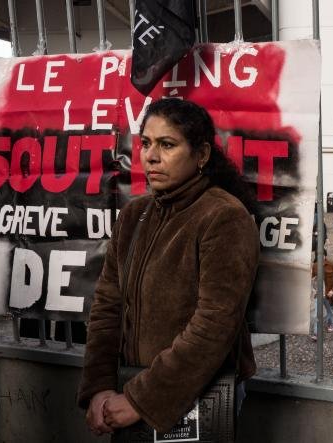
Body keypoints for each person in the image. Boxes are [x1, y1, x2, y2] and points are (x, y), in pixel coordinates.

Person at [77, 99, 260, 436]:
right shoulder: (134, 215)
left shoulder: (224, 216)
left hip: (198, 393)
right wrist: (100, 387)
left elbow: (215, 325)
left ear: (202, 155)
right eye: (146, 143)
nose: (151, 156)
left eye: (167, 144)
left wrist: (140, 399)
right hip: (129, 390)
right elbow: (107, 304)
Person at [310, 251, 333, 341]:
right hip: (318, 294)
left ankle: (330, 323)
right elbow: (312, 278)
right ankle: (316, 333)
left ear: (325, 255)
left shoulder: (332, 264)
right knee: (316, 314)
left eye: (321, 255)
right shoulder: (315, 266)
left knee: (330, 311)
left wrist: (332, 290)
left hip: (329, 294)